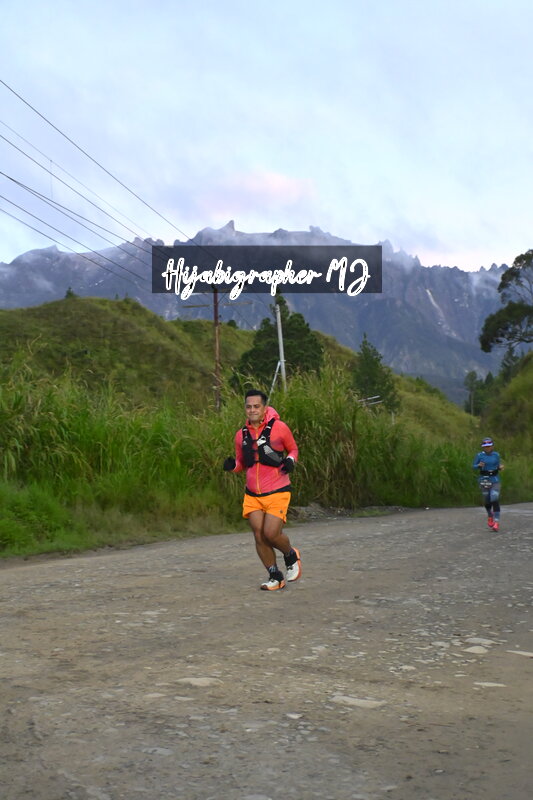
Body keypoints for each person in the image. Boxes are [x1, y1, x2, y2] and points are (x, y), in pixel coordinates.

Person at [223, 388, 302, 591]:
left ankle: (290, 555)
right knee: (259, 535)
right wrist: (232, 466)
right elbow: (242, 463)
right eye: (248, 407)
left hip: (277, 490)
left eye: (256, 406)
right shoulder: (241, 435)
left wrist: (290, 460)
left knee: (271, 533)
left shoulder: (280, 428)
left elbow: (293, 449)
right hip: (253, 494)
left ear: (264, 408)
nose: (252, 410)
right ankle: (275, 576)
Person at [472, 437, 504, 531]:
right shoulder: (479, 455)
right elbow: (473, 466)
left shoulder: (496, 455)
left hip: (495, 479)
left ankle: (496, 522)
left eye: (489, 446)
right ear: (483, 447)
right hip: (484, 479)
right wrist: (478, 465)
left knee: (494, 498)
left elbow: (498, 465)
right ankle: (490, 515)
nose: (488, 448)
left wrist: (500, 467)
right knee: (487, 500)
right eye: (486, 446)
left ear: (492, 446)